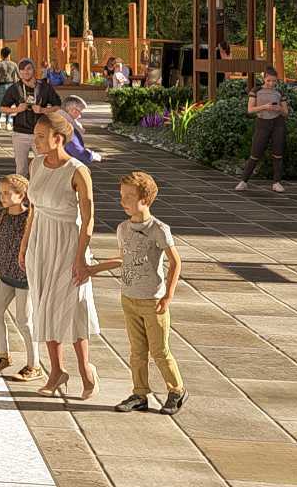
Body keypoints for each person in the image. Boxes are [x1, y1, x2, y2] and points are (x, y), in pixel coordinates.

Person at [88, 171, 186, 415]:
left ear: (145, 199)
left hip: (153, 300)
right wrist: (95, 268)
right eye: (122, 196)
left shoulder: (159, 229)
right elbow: (125, 258)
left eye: (129, 196)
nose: (123, 201)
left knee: (159, 350)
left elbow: (175, 262)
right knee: (136, 351)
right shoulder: (123, 228)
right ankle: (139, 392)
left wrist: (168, 295)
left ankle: (176, 390)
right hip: (129, 297)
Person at [20, 112, 101, 400]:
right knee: (44, 305)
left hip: (69, 242)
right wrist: (24, 245)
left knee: (72, 305)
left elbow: (89, 219)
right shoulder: (36, 165)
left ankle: (85, 368)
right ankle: (56, 371)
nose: (35, 141)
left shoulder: (78, 171)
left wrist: (81, 259)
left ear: (59, 139)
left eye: (41, 137)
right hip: (40, 241)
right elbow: (33, 210)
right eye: (35, 136)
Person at [0, 173, 42, 382]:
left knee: (24, 321)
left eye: (7, 193)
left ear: (22, 195)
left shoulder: (30, 220)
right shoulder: (0, 216)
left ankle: (35, 365)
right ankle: (3, 356)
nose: (2, 197)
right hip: (6, 277)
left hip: (25, 280)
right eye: (0, 193)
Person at [0, 58, 61, 174]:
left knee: (43, 166)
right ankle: (22, 191)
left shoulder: (44, 87)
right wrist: (18, 109)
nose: (25, 72)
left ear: (34, 70)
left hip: (41, 133)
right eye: (21, 70)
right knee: (21, 168)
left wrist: (43, 110)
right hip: (20, 133)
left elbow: (57, 106)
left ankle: (40, 190)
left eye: (28, 69)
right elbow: (2, 108)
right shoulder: (15, 88)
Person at [237, 68, 290, 193]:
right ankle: (244, 181)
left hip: (278, 123)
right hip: (262, 123)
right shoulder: (256, 91)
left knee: (278, 153)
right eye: (269, 80)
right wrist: (265, 107)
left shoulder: (279, 92)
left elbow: (286, 113)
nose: (271, 83)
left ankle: (277, 182)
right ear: (263, 78)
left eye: (274, 81)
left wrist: (279, 109)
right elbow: (250, 110)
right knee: (255, 152)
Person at [60, 95, 102, 164]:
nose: (80, 116)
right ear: (74, 111)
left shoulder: (56, 119)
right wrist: (92, 156)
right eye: (80, 112)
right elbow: (78, 152)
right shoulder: (68, 127)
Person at [0, 48, 20, 127]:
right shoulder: (14, 64)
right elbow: (18, 77)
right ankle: (7, 123)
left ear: (1, 54)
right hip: (11, 86)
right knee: (8, 105)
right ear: (9, 54)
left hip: (1, 86)